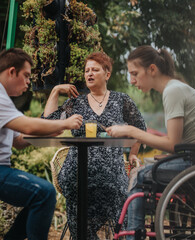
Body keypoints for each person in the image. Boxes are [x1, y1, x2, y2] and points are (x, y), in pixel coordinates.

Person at [0, 48, 83, 240]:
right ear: (11, 72)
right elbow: (27, 126)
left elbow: (19, 141)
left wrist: (50, 130)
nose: (29, 82)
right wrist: (65, 123)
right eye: (26, 76)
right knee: (44, 193)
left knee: (39, 195)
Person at [106, 45, 195, 238]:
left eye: (134, 73)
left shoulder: (172, 91)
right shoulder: (175, 88)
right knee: (146, 168)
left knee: (139, 176)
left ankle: (132, 236)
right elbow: (178, 144)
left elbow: (172, 143)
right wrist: (168, 157)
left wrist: (131, 130)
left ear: (152, 69)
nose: (132, 80)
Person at [42, 51, 146, 239]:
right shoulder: (76, 102)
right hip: (77, 174)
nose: (89, 73)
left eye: (95, 70)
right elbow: (49, 122)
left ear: (107, 74)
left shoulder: (121, 100)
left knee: (122, 209)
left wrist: (132, 155)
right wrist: (56, 90)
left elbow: (140, 128)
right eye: (87, 70)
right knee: (79, 210)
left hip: (112, 175)